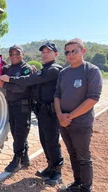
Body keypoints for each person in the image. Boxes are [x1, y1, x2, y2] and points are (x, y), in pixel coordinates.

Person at [0, 42, 64, 185]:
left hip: (47, 110)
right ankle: (50, 167)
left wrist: (7, 81)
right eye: (43, 52)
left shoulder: (53, 69)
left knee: (52, 141)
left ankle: (57, 171)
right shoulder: (42, 69)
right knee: (43, 139)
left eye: (48, 52)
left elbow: (28, 83)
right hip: (41, 109)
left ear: (56, 54)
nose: (45, 54)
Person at [54, 38, 102, 192]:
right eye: (67, 52)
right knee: (72, 154)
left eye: (74, 51)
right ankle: (77, 183)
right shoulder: (63, 73)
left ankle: (86, 188)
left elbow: (93, 98)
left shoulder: (91, 71)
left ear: (83, 51)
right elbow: (57, 96)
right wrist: (60, 116)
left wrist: (70, 116)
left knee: (83, 157)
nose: (70, 55)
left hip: (81, 123)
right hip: (64, 122)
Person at [0, 45, 33, 172]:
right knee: (15, 131)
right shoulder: (7, 68)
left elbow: (23, 87)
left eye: (17, 53)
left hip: (23, 106)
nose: (14, 56)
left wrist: (5, 85)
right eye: (12, 54)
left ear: (23, 54)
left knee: (20, 132)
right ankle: (25, 157)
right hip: (11, 105)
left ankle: (17, 158)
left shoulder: (26, 69)